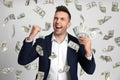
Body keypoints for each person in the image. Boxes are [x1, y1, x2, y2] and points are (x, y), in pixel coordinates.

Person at [18, 5, 96, 80]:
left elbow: (90, 70)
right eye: (56, 18)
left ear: (68, 24)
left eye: (62, 19)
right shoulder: (42, 42)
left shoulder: (76, 43)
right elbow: (22, 61)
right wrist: (31, 37)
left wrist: (88, 52)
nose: (58, 21)